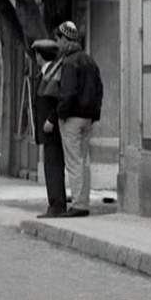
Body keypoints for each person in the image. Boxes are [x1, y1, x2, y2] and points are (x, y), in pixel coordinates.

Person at [55, 21, 103, 217]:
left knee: (74, 161)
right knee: (83, 161)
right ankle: (84, 201)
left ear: (66, 40)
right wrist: (94, 115)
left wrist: (60, 114)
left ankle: (78, 204)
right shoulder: (90, 61)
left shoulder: (69, 63)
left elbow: (68, 94)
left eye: (58, 40)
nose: (57, 44)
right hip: (88, 118)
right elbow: (99, 89)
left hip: (72, 117)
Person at [31, 38, 67, 218]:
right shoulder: (46, 72)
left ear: (40, 55)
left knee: (53, 166)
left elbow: (59, 100)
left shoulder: (55, 73)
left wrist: (51, 119)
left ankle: (57, 205)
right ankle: (55, 202)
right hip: (47, 129)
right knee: (51, 165)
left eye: (36, 53)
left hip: (52, 129)